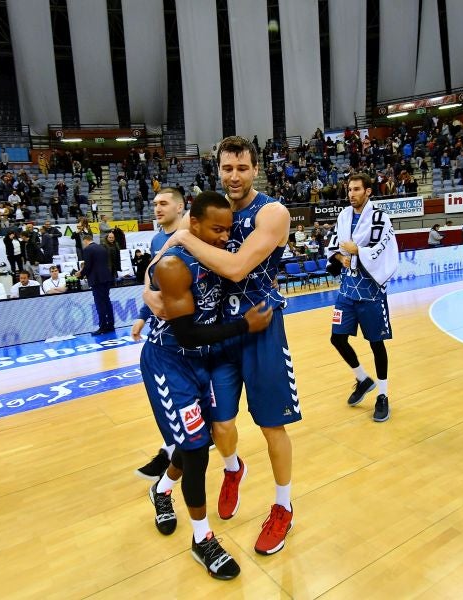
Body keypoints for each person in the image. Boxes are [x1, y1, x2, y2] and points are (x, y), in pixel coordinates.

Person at [152, 136, 299, 555]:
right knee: (219, 426)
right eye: (227, 169)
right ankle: (233, 469)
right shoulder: (209, 212)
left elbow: (235, 268)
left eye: (243, 168)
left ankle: (283, 507)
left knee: (272, 425)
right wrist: (148, 295)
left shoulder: (272, 212)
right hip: (220, 330)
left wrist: (182, 238)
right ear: (218, 169)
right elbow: (155, 267)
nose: (235, 176)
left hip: (262, 327)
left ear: (256, 169)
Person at [143, 192, 273, 580]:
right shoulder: (173, 265)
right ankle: (202, 539)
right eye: (216, 229)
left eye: (227, 230)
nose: (223, 237)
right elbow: (186, 335)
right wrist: (243, 326)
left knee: (203, 438)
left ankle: (162, 489)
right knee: (196, 449)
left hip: (204, 360)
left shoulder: (218, 255)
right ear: (193, 226)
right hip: (170, 362)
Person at [325, 173, 400, 422]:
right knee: (337, 339)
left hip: (370, 292)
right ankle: (362, 378)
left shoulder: (380, 217)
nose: (352, 194)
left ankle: (382, 395)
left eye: (357, 189)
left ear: (368, 191)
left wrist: (358, 251)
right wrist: (340, 258)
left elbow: (383, 249)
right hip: (347, 289)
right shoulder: (344, 215)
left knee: (376, 344)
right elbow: (334, 245)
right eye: (349, 189)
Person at [131, 187, 186, 480]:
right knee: (163, 397)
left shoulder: (192, 237)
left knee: (177, 397)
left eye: (164, 203)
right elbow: (154, 285)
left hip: (187, 331)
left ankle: (174, 452)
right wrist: (142, 316)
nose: (157, 208)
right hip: (162, 328)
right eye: (154, 203)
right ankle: (170, 449)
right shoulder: (156, 240)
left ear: (181, 207)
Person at [79, 235, 115, 334]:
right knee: (107, 301)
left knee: (100, 303)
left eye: (83, 242)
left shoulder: (88, 249)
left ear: (85, 241)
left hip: (97, 280)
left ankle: (103, 327)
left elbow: (88, 266)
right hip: (106, 278)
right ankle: (110, 325)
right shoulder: (102, 248)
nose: (83, 244)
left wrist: (80, 274)